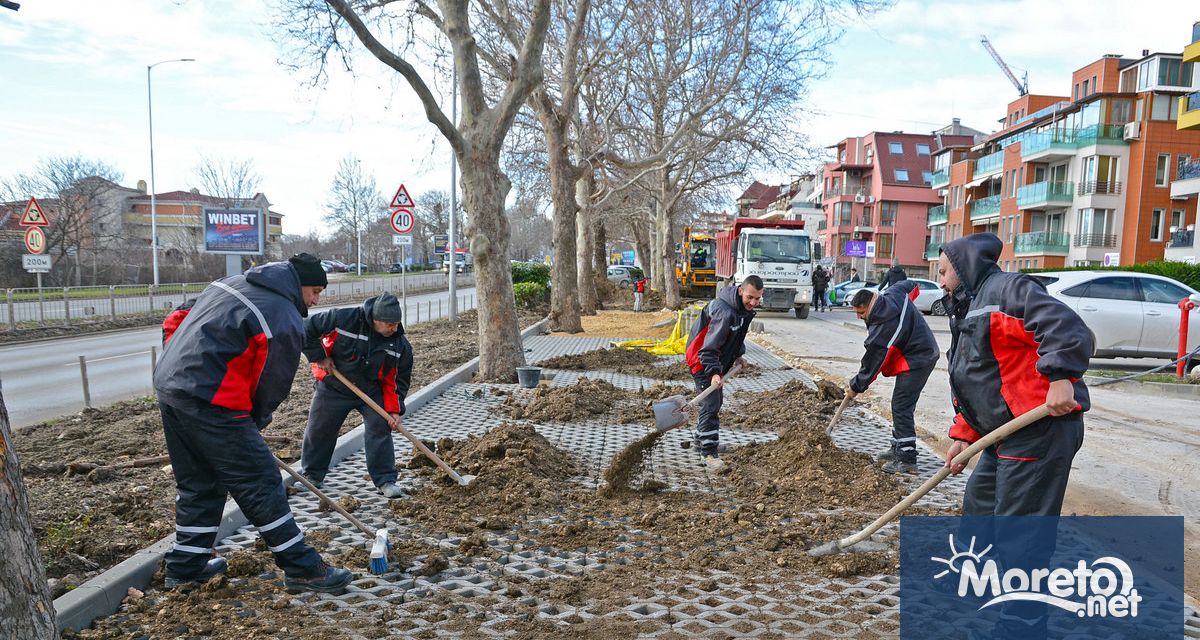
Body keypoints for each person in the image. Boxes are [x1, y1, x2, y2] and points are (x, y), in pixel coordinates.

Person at [154, 253, 353, 594]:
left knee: (199, 483)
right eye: (315, 291)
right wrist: (252, 424)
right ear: (299, 284)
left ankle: (185, 567)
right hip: (214, 402)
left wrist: (178, 366)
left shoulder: (228, 284)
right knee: (260, 483)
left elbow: (176, 318)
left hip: (171, 389)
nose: (316, 300)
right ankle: (303, 568)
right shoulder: (281, 316)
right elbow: (270, 383)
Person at [938, 233, 1091, 639]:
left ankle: (1023, 622)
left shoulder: (1008, 291)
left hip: (1040, 429)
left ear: (962, 265)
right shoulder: (970, 308)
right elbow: (979, 380)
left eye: (942, 272)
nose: (939, 282)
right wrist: (964, 435)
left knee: (1019, 531)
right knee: (979, 507)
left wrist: (1061, 376)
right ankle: (989, 585)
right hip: (1004, 432)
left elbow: (1068, 328)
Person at [300, 292, 413, 499]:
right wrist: (319, 357)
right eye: (390, 324)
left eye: (397, 323)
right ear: (375, 320)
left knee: (380, 428)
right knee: (320, 428)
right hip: (334, 385)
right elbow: (306, 329)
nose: (395, 329)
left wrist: (394, 410)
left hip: (371, 391)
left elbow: (397, 381)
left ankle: (385, 479)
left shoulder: (399, 346)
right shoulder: (343, 319)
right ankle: (312, 475)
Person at [846, 283, 939, 473]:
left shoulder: (883, 326)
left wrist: (856, 386)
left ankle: (907, 458)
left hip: (918, 359)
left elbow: (873, 363)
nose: (859, 316)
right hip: (920, 352)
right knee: (900, 403)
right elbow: (910, 286)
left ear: (869, 305)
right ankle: (897, 446)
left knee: (901, 405)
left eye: (860, 312)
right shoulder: (893, 293)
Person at [684, 275, 763, 472]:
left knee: (713, 402)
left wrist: (738, 356)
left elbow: (735, 337)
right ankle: (709, 453)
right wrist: (713, 373)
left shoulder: (741, 310)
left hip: (715, 360)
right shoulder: (725, 311)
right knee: (711, 405)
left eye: (757, 299)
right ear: (740, 291)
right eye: (750, 297)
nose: (753, 302)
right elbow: (708, 348)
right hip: (701, 360)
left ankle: (701, 441)